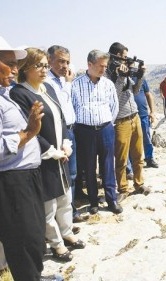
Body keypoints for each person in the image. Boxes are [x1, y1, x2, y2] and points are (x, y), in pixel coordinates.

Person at [10, 48, 85, 263]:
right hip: (42, 158)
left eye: (45, 65)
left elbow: (60, 117)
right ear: (25, 69)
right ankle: (56, 245)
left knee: (65, 198)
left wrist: (66, 144)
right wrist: (52, 151)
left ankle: (67, 232)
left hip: (60, 153)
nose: (44, 70)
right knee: (48, 205)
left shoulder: (48, 88)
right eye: (39, 65)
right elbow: (28, 129)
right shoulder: (20, 94)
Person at [0, 37, 62, 281]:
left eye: (16, 64)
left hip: (27, 176)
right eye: (8, 63)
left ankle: (34, 276)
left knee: (34, 236)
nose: (15, 69)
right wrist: (28, 133)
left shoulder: (5, 94)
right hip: (12, 181)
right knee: (22, 240)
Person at [71, 49, 123, 214]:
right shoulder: (76, 84)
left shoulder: (107, 84)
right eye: (100, 66)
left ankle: (111, 200)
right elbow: (72, 107)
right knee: (89, 166)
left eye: (105, 66)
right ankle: (93, 201)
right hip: (84, 131)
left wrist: (107, 123)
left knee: (108, 165)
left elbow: (114, 106)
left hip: (106, 129)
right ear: (89, 64)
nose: (103, 69)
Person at [46, 45, 87, 225]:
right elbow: (60, 104)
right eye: (61, 61)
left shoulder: (63, 80)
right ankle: (64, 214)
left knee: (73, 173)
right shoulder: (47, 82)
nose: (65, 66)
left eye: (68, 62)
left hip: (71, 129)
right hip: (59, 132)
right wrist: (69, 84)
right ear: (49, 61)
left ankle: (69, 210)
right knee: (64, 174)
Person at [106, 42, 149, 197]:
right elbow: (114, 99)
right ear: (116, 55)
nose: (125, 60)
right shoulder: (109, 73)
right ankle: (123, 188)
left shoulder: (124, 71)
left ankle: (139, 184)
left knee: (138, 155)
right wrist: (120, 78)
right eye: (124, 57)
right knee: (122, 158)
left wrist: (140, 75)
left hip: (134, 116)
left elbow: (135, 90)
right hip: (121, 120)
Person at [133, 77, 159, 168]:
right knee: (130, 141)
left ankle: (149, 158)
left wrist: (152, 111)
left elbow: (148, 95)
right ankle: (130, 166)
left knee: (146, 138)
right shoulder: (123, 77)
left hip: (143, 114)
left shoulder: (141, 78)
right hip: (129, 116)